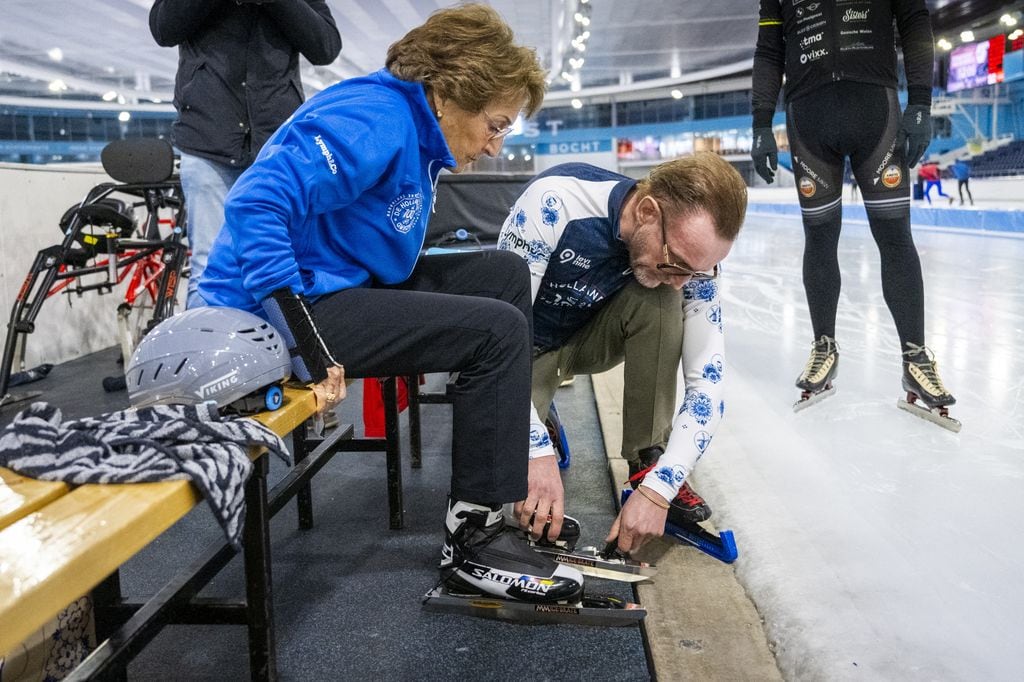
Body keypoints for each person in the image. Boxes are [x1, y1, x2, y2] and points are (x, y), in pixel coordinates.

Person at [192, 4, 585, 604]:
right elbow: (254, 202)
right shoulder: (374, 118)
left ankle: (484, 502)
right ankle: (472, 545)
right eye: (496, 124)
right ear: (452, 93)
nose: (496, 145)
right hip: (273, 314)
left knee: (503, 275)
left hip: (338, 286)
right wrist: (304, 340)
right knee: (497, 331)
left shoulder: (417, 127)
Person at [498, 153, 747, 554]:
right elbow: (496, 336)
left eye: (696, 272)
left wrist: (660, 487)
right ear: (648, 211)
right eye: (676, 262)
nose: (684, 281)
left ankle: (646, 458)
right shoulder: (555, 203)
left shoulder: (689, 260)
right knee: (508, 489)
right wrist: (534, 450)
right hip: (524, 347)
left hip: (587, 337)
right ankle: (542, 417)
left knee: (662, 300)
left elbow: (709, 385)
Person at [750, 0, 956, 414]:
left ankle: (915, 358)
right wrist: (759, 123)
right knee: (820, 238)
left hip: (875, 113)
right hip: (809, 119)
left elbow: (915, 20)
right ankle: (824, 346)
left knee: (895, 236)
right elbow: (769, 50)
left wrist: (920, 102)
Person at [149, 0, 343, 309]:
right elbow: (163, 28)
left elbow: (326, 47)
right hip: (208, 141)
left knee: (283, 264)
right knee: (207, 268)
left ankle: (287, 354)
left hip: (275, 147)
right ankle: (205, 354)